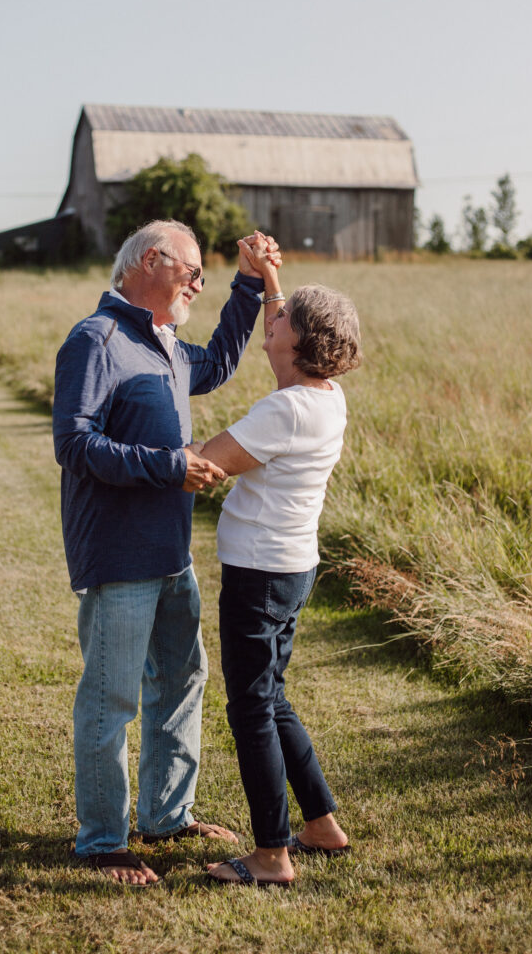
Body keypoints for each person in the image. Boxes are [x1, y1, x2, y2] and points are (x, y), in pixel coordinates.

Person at [52, 219, 281, 886]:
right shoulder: (95, 340)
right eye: (192, 273)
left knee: (182, 683)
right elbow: (74, 444)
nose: (197, 286)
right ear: (150, 261)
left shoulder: (166, 343)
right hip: (119, 556)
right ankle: (100, 843)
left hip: (170, 554)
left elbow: (215, 364)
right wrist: (165, 465)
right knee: (110, 698)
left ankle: (164, 815)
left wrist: (245, 283)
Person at [195, 237, 362, 886]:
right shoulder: (322, 398)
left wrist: (146, 456)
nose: (275, 317)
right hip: (291, 568)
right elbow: (280, 319)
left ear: (297, 343)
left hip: (259, 576)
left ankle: (270, 854)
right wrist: (267, 276)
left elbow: (207, 460)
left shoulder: (282, 410)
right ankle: (319, 823)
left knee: (251, 710)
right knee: (273, 698)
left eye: (284, 317)